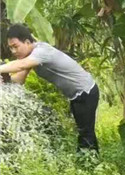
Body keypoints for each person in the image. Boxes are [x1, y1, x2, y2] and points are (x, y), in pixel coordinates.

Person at [0, 23, 100, 151]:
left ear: (26, 42)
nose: (13, 51)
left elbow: (20, 65)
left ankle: (88, 164)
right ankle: (90, 160)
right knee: (84, 130)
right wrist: (4, 80)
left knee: (85, 132)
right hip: (76, 95)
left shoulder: (41, 51)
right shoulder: (30, 57)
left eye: (15, 46)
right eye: (11, 48)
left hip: (86, 91)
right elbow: (19, 80)